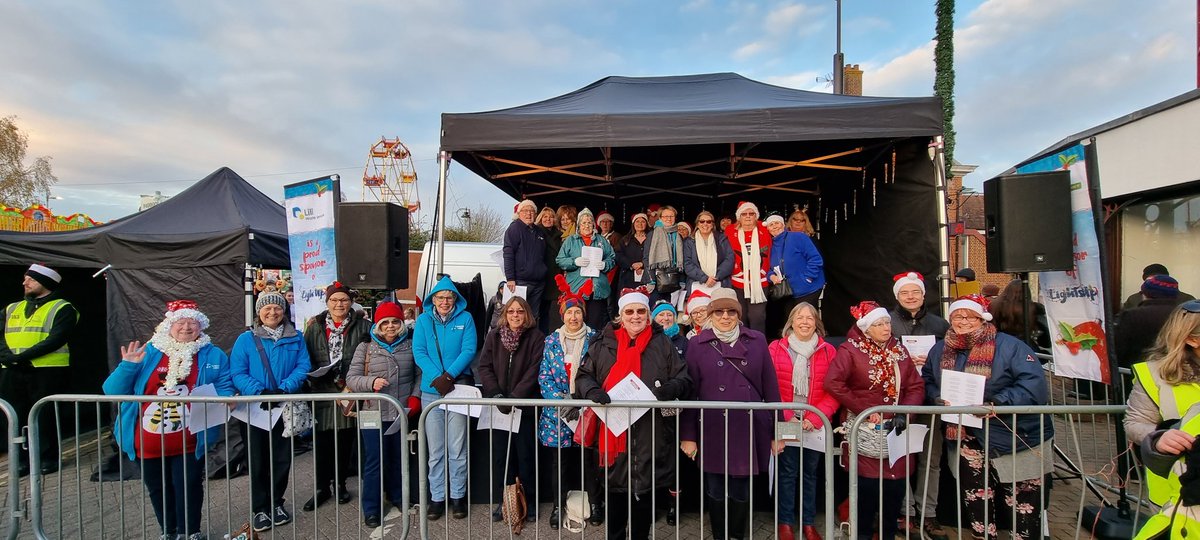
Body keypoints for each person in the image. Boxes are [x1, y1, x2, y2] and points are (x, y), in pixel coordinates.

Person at [923, 295, 1053, 540]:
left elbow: (1033, 385)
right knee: (976, 501)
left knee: (1023, 507)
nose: (963, 321)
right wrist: (936, 397)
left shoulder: (1010, 346)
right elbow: (928, 379)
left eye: (969, 316)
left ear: (982, 318)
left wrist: (997, 402)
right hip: (967, 437)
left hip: (1014, 437)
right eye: (957, 316)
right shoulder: (940, 349)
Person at [103, 300, 234, 540]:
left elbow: (224, 384)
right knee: (158, 488)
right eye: (181, 322)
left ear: (200, 326)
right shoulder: (150, 351)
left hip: (191, 439)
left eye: (192, 322)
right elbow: (112, 391)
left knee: (190, 485)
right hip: (147, 441)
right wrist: (128, 367)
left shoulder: (211, 353)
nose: (186, 327)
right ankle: (169, 532)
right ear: (169, 325)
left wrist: (226, 398)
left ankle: (190, 531)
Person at [574, 288, 692, 540]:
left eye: (641, 311)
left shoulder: (662, 344)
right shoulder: (603, 344)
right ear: (620, 316)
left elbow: (683, 377)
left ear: (648, 316)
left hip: (650, 435)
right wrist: (593, 390)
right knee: (616, 503)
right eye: (630, 311)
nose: (635, 316)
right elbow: (583, 376)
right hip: (613, 438)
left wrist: (671, 388)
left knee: (643, 506)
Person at [680, 287, 783, 540]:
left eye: (730, 312)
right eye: (718, 312)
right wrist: (688, 435)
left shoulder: (757, 340)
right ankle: (718, 535)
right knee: (715, 487)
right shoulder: (696, 343)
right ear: (710, 315)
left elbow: (771, 387)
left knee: (741, 487)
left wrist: (779, 432)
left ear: (738, 314)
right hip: (714, 425)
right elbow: (690, 392)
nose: (725, 317)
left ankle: (736, 535)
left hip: (748, 426)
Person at [824, 301, 924, 540]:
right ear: (866, 328)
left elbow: (915, 386)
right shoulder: (850, 350)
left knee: (894, 490)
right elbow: (833, 383)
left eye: (887, 322)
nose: (885, 327)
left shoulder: (899, 350)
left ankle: (888, 534)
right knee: (866, 491)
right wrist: (866, 409)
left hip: (895, 430)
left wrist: (905, 413)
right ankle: (862, 534)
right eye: (879, 324)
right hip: (866, 429)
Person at [229, 291, 311, 532]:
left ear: (284, 311)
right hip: (254, 409)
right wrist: (259, 391)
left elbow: (303, 365)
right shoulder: (246, 339)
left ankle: (276, 503)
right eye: (267, 308)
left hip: (283, 408)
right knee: (257, 459)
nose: (273, 312)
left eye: (277, 308)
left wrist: (285, 389)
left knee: (282, 458)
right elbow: (238, 371)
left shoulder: (296, 337)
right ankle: (259, 508)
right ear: (259, 312)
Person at [1124, 300, 1200, 538]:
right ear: (1191, 339)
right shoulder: (1155, 375)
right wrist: (1159, 438)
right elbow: (1134, 422)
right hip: (1173, 492)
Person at [345, 301, 421, 528]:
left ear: (401, 324)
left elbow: (419, 374)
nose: (390, 326)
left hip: (400, 412)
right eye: (385, 322)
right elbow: (352, 378)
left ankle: (398, 497)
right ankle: (372, 508)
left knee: (399, 458)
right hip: (373, 413)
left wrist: (415, 397)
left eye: (395, 322)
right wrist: (371, 382)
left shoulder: (410, 344)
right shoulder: (365, 347)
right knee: (374, 461)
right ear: (378, 325)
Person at [887, 271, 950, 539]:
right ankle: (905, 512)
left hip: (929, 399)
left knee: (931, 459)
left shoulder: (940, 325)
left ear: (923, 295)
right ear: (897, 296)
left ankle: (929, 513)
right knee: (902, 458)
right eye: (904, 293)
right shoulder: (886, 322)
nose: (910, 297)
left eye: (915, 292)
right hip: (898, 401)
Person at [768, 302, 838, 540]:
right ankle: (785, 523)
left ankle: (808, 522)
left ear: (816, 323)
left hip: (815, 421)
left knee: (810, 473)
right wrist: (787, 415)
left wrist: (813, 417)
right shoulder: (776, 348)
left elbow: (833, 389)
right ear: (791, 322)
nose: (805, 322)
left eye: (810, 318)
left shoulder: (828, 350)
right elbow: (770, 385)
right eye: (800, 317)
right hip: (788, 417)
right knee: (787, 472)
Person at [0, 264, 78, 475]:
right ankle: (21, 459)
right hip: (12, 370)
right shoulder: (11, 308)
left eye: (31, 279)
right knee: (14, 416)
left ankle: (47, 457)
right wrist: (7, 356)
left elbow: (56, 339)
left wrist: (21, 357)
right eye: (25, 278)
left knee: (45, 415)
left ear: (46, 283)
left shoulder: (63, 308)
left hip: (47, 369)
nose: (24, 282)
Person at [412, 276, 477, 520]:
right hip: (431, 393)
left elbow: (469, 350)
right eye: (440, 297)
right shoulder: (422, 321)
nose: (445, 301)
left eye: (449, 297)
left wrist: (448, 377)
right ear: (433, 299)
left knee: (457, 448)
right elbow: (419, 351)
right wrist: (436, 377)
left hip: (457, 389)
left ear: (455, 300)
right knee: (436, 450)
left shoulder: (466, 318)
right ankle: (437, 497)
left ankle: (458, 496)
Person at [477, 296, 545, 523]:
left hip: (523, 407)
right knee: (501, 458)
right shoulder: (493, 337)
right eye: (511, 311)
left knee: (526, 457)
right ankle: (505, 501)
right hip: (499, 407)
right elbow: (484, 366)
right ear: (504, 314)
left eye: (520, 311)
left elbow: (535, 369)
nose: (515, 315)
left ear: (527, 314)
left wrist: (516, 396)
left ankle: (530, 501)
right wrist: (496, 393)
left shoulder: (536, 337)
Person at [302, 281, 369, 512]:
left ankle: (340, 484)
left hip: (348, 390)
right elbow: (306, 355)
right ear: (327, 302)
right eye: (334, 300)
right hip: (321, 389)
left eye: (343, 300)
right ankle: (322, 487)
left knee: (345, 439)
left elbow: (369, 356)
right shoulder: (314, 327)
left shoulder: (362, 326)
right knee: (322, 441)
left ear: (350, 302)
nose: (339, 304)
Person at [539, 292, 601, 529]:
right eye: (569, 312)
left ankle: (596, 503)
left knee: (590, 460)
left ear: (583, 314)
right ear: (561, 314)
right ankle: (557, 505)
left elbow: (599, 372)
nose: (573, 317)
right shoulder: (550, 341)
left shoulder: (595, 339)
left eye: (577, 312)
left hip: (587, 410)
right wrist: (562, 402)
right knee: (559, 463)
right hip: (557, 413)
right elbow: (544, 376)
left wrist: (581, 401)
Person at [765, 214, 825, 341]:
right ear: (768, 229)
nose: (775, 226)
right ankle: (793, 348)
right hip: (789, 291)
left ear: (783, 224)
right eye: (771, 224)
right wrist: (772, 277)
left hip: (808, 288)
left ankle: (817, 344)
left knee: (806, 318)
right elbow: (769, 269)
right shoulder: (770, 245)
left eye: (777, 223)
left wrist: (808, 278)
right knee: (791, 319)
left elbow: (815, 259)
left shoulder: (798, 237)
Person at [556, 208, 617, 330]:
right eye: (583, 222)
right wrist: (574, 262)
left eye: (589, 222)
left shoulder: (602, 240)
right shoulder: (570, 241)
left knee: (596, 324)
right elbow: (560, 260)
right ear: (579, 224)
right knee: (577, 322)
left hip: (597, 290)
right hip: (577, 289)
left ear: (594, 224)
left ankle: (594, 347)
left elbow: (612, 259)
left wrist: (605, 264)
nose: (586, 225)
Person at [1117, 276, 1183, 371]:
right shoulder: (1185, 315)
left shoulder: (1132, 316)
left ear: (1146, 294)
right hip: (1175, 371)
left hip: (1138, 373)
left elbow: (1119, 349)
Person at [725, 202, 771, 333]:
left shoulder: (764, 229)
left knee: (757, 317)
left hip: (760, 281)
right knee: (741, 316)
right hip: (738, 281)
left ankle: (758, 347)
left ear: (756, 216)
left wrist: (764, 270)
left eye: (752, 213)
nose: (748, 216)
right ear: (739, 217)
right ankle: (742, 346)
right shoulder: (730, 231)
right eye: (744, 214)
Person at [502, 199, 548, 327]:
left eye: (532, 211)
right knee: (517, 316)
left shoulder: (539, 231)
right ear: (519, 213)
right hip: (520, 283)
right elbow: (508, 253)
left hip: (538, 283)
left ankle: (531, 345)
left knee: (533, 317)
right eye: (525, 211)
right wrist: (510, 278)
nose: (529, 214)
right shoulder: (514, 229)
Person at [989, 279, 1050, 351]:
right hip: (1024, 344)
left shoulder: (994, 305)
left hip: (1000, 343)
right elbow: (1045, 340)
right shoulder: (1031, 308)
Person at [644, 205, 687, 306]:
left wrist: (682, 280)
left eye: (671, 216)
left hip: (674, 279)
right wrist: (651, 280)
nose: (669, 219)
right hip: (657, 279)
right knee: (656, 309)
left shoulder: (678, 235)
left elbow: (682, 258)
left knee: (669, 310)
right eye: (665, 216)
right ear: (660, 218)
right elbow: (646, 258)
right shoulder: (653, 234)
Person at [683, 210, 735, 292]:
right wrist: (705, 278)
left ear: (712, 224)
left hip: (719, 283)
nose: (705, 224)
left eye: (709, 221)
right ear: (697, 224)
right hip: (697, 284)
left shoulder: (722, 239)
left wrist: (716, 277)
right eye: (702, 221)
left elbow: (729, 259)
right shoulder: (689, 242)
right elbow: (687, 263)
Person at [1122, 263, 1196, 312]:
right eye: (1150, 282)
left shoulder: (1187, 300)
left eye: (1158, 280)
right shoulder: (1134, 299)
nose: (1154, 284)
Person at [616, 213, 651, 290]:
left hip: (647, 276)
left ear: (647, 224)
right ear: (633, 224)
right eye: (637, 221)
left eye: (643, 221)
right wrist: (631, 265)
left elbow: (656, 255)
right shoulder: (625, 239)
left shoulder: (652, 239)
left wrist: (642, 264)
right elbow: (618, 255)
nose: (640, 224)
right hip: (628, 276)